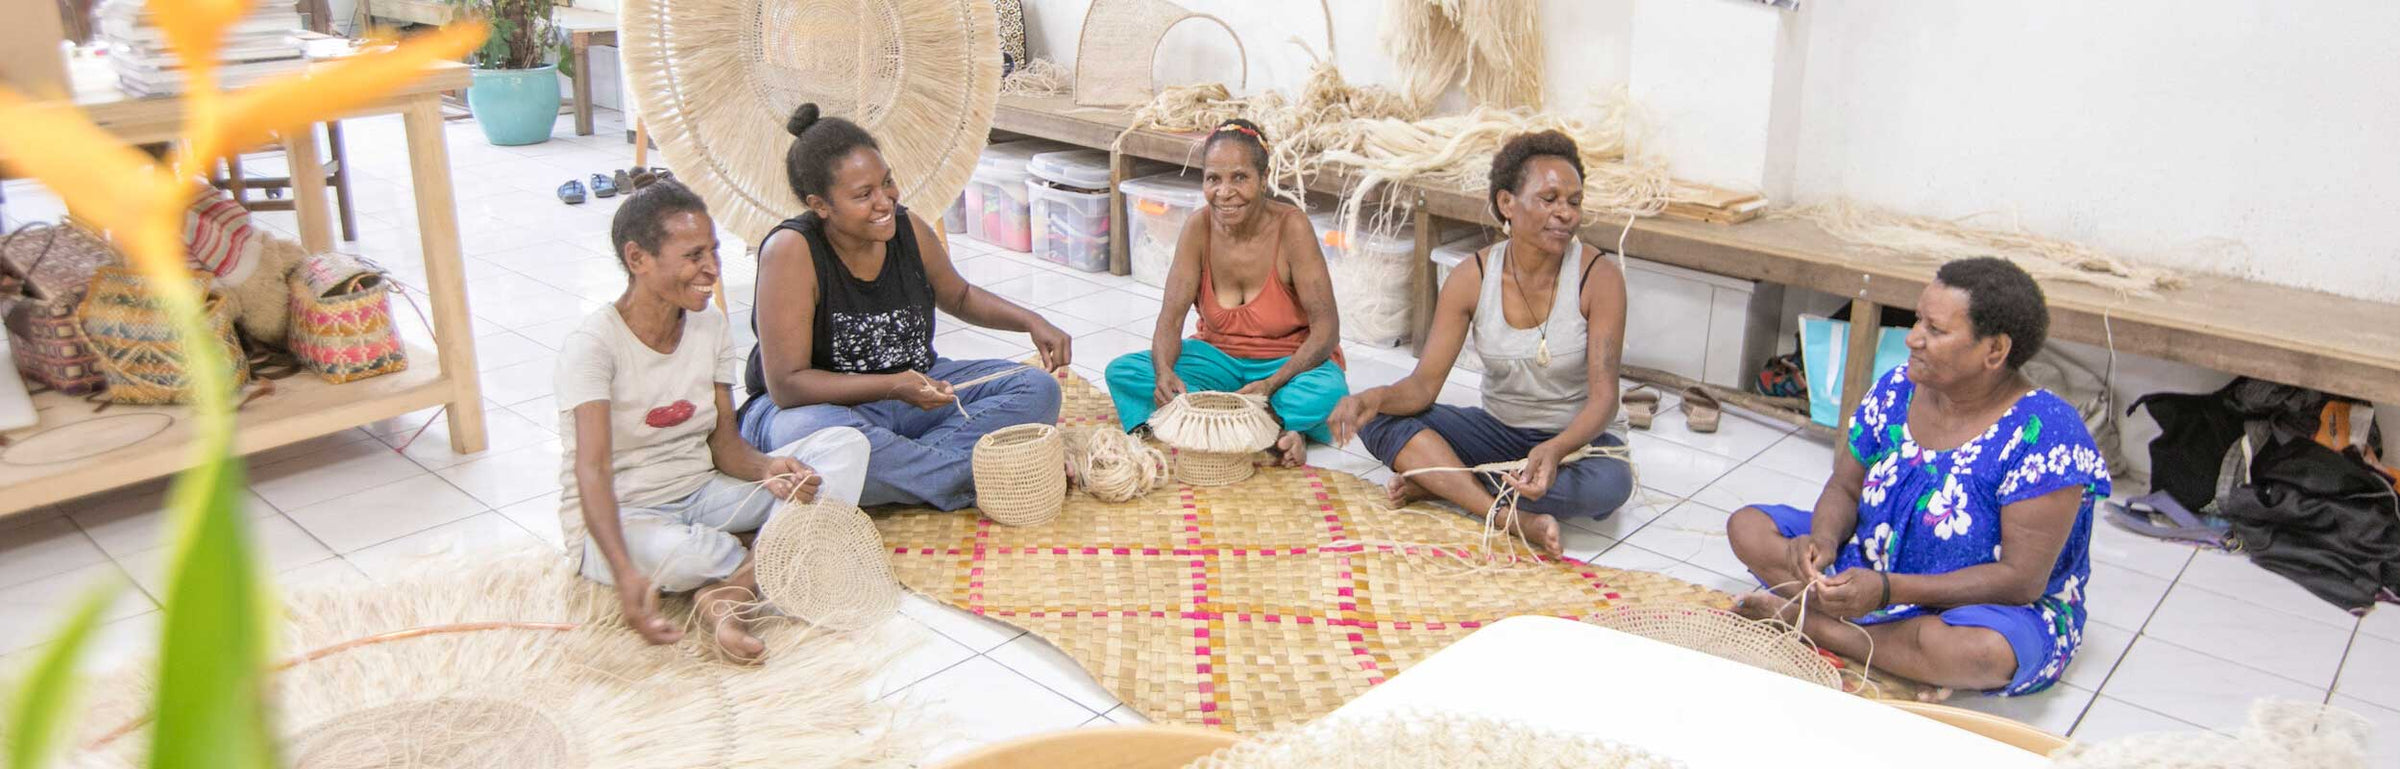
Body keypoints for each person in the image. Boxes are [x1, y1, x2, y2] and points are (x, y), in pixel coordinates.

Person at [1725, 257, 2109, 697]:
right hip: (1876, 562)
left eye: (1936, 330)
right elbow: (1845, 486)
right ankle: (1894, 647)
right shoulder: (1898, 387)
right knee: (1749, 527)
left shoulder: (2047, 434)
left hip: (1983, 606)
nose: (1913, 339)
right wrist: (1824, 542)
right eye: (1917, 320)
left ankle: (1821, 626)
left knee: (1985, 653)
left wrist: (1888, 590)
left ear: (1995, 351)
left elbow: (2021, 580)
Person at [555, 180, 871, 663]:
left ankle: (731, 591)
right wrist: (624, 571)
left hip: (704, 493)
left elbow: (725, 443)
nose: (711, 270)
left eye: (715, 252)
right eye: (693, 255)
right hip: (626, 516)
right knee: (689, 558)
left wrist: (769, 469)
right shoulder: (593, 345)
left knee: (846, 447)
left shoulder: (710, 323)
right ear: (637, 258)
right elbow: (591, 470)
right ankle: (773, 551)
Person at [738, 104, 1071, 511]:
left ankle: (899, 474)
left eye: (887, 182)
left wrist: (1031, 321)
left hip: (910, 394)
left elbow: (960, 296)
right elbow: (788, 387)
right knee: (815, 436)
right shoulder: (791, 251)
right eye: (864, 195)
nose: (885, 201)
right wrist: (894, 385)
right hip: (818, 409)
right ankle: (975, 474)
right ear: (820, 205)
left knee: (1036, 389)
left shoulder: (908, 227)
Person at [1325, 130, 1634, 559]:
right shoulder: (1472, 278)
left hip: (1579, 444)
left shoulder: (1599, 278)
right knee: (1379, 423)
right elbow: (1423, 387)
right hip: (1501, 433)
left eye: (1574, 202)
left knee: (1610, 487)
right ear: (1507, 203)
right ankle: (1505, 515)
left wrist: (1555, 448)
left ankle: (1443, 481)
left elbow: (1604, 400)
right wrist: (1373, 397)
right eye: (1549, 199)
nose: (1565, 213)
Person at [1105, 119, 1348, 466]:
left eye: (1239, 177)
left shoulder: (1292, 228)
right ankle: (1269, 429)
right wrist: (1163, 374)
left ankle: (1228, 418)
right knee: (1125, 372)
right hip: (1218, 361)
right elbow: (1170, 319)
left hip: (1288, 366)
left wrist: (1270, 384)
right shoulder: (1197, 228)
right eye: (1213, 179)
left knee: (1330, 393)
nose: (1224, 192)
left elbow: (1327, 331)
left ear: (1263, 179)